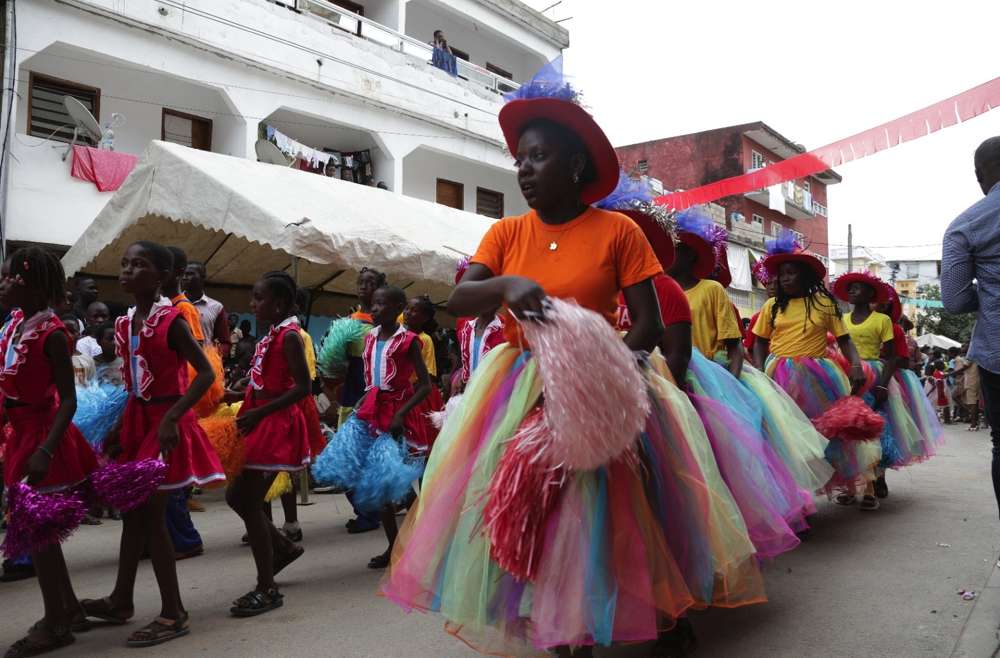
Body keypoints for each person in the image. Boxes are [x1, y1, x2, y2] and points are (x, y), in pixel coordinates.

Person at [382, 62, 763, 656]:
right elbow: (459, 297)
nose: (525, 170)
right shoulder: (506, 234)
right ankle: (556, 627)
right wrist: (506, 287)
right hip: (517, 388)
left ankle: (640, 609)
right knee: (521, 505)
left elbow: (648, 325)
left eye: (537, 157)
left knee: (616, 508)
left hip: (601, 383)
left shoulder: (618, 232)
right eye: (521, 160)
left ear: (575, 164)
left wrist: (600, 372)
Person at [81, 241, 225, 647]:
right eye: (125, 264)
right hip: (138, 423)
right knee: (133, 515)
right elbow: (133, 381)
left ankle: (174, 612)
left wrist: (174, 417)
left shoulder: (172, 320)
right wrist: (118, 427)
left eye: (139, 264)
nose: (127, 271)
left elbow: (203, 375)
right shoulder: (126, 323)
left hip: (165, 424)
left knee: (152, 516)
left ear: (161, 276)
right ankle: (121, 599)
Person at [0, 247, 98, 657]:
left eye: (10, 278)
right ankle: (68, 608)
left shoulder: (53, 334)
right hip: (16, 432)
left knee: (38, 534)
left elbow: (69, 401)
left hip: (41, 436)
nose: (3, 284)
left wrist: (44, 450)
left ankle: (55, 622)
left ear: (34, 286)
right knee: (40, 534)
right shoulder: (14, 324)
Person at [752, 232, 879, 501]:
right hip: (779, 375)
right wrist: (761, 370)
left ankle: (859, 483)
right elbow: (760, 341)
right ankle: (797, 496)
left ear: (806, 276)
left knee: (826, 434)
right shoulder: (772, 306)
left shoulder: (824, 303)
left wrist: (855, 364)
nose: (785, 278)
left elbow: (845, 341)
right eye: (782, 273)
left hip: (817, 378)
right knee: (785, 436)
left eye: (791, 273)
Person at [313, 285, 431, 569]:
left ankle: (419, 545)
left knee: (395, 482)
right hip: (371, 413)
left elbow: (425, 386)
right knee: (379, 485)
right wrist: (360, 402)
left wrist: (401, 414)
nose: (374, 309)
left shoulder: (410, 340)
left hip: (395, 414)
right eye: (373, 304)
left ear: (398, 308)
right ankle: (394, 547)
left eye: (381, 304)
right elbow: (371, 382)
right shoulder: (369, 339)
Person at [226, 272, 309, 617]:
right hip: (260, 418)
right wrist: (237, 394)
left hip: (274, 426)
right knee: (240, 498)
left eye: (258, 298)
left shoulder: (289, 336)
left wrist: (261, 412)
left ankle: (267, 587)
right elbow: (268, 381)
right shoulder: (272, 334)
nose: (252, 304)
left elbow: (302, 387)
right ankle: (282, 547)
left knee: (246, 499)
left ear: (278, 303)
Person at [833, 271, 922, 507]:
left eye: (857, 288)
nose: (852, 291)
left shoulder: (882, 321)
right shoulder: (841, 319)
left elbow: (892, 357)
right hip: (845, 375)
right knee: (845, 431)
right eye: (849, 288)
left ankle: (871, 487)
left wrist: (883, 383)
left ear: (871, 294)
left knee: (870, 431)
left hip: (873, 376)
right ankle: (851, 487)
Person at [400, 295, 443, 453]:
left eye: (414, 310)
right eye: (406, 309)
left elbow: (429, 374)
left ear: (424, 318)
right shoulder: (398, 335)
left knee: (419, 441)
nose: (408, 313)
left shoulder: (425, 340)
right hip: (399, 393)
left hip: (416, 396)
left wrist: (410, 395)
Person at [182, 261, 231, 359]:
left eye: (190, 274)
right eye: (183, 274)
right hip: (177, 366)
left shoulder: (216, 307)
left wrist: (212, 357)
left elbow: (225, 342)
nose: (184, 277)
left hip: (204, 366)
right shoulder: (172, 304)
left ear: (202, 277)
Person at [61, 312, 96, 386]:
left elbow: (93, 387)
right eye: (64, 331)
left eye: (72, 331)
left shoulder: (87, 360)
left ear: (79, 334)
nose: (68, 335)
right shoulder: (51, 360)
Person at [93, 322, 124, 386]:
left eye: (117, 339)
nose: (114, 342)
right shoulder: (92, 364)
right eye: (110, 339)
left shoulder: (125, 361)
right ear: (98, 341)